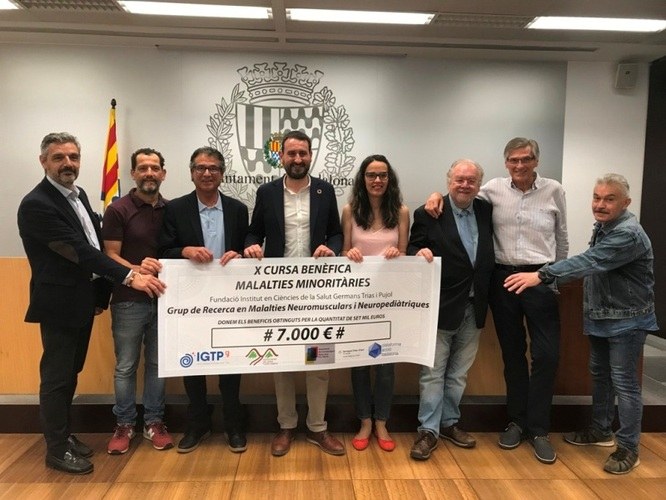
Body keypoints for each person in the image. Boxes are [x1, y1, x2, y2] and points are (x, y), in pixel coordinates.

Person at [17, 132, 166, 475]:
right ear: (43, 162)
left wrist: (99, 296)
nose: (67, 163)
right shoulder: (37, 204)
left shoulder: (79, 195)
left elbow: (93, 244)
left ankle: (63, 435)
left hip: (81, 302)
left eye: (73, 157)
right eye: (59, 157)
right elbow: (79, 251)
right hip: (58, 304)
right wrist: (128, 276)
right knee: (56, 378)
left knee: (71, 373)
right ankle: (56, 449)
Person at [425, 137, 568, 464]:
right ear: (506, 163)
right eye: (513, 160)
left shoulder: (554, 190)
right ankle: (516, 422)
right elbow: (459, 196)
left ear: (536, 160)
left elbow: (562, 238)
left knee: (546, 356)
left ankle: (539, 430)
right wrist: (434, 195)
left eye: (526, 159)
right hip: (502, 282)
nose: (519, 165)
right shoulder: (492, 189)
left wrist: (553, 278)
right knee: (513, 355)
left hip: (540, 279)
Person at [504, 174, 657, 475]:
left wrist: (542, 274)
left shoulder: (628, 233)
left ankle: (629, 447)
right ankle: (601, 430)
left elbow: (590, 261)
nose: (600, 204)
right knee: (600, 377)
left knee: (625, 384)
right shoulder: (604, 227)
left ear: (626, 202)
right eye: (597, 198)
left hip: (627, 320)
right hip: (601, 316)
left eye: (609, 199)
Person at [244, 130, 345, 457]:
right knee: (283, 359)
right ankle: (286, 425)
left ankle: (317, 427)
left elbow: (336, 233)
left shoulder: (325, 190)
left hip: (317, 291)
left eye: (303, 153)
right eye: (292, 153)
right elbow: (254, 232)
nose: (298, 159)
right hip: (279, 291)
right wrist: (250, 246)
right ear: (281, 157)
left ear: (310, 155)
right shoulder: (267, 192)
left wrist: (331, 249)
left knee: (318, 360)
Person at [158, 146, 248, 454]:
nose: (207, 173)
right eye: (200, 168)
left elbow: (247, 248)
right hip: (190, 301)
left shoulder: (238, 209)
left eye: (213, 168)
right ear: (191, 173)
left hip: (229, 301)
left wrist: (241, 254)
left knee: (231, 364)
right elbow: (163, 250)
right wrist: (184, 251)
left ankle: (233, 424)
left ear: (222, 174)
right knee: (193, 365)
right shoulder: (175, 209)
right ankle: (198, 423)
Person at [408, 159, 494, 460]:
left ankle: (448, 423)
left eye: (471, 180)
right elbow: (412, 248)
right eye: (459, 179)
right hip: (441, 306)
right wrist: (419, 252)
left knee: (458, 374)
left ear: (479, 185)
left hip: (475, 305)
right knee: (432, 373)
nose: (465, 185)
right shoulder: (429, 212)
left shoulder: (486, 210)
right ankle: (427, 431)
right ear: (448, 181)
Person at [102, 148, 172, 454]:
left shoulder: (172, 209)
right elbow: (109, 255)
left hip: (165, 300)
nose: (149, 173)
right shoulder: (118, 210)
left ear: (163, 173)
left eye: (154, 168)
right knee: (126, 366)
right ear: (133, 173)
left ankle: (154, 422)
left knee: (157, 364)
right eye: (142, 168)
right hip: (129, 300)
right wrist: (136, 270)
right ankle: (125, 423)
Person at [341, 154, 410, 452]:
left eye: (383, 175)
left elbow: (405, 255)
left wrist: (398, 254)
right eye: (371, 175)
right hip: (357, 302)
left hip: (389, 302)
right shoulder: (350, 210)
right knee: (359, 363)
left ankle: (382, 421)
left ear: (389, 179)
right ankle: (365, 421)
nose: (377, 180)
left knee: (385, 365)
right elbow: (343, 252)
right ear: (363, 179)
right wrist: (349, 254)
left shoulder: (402, 212)